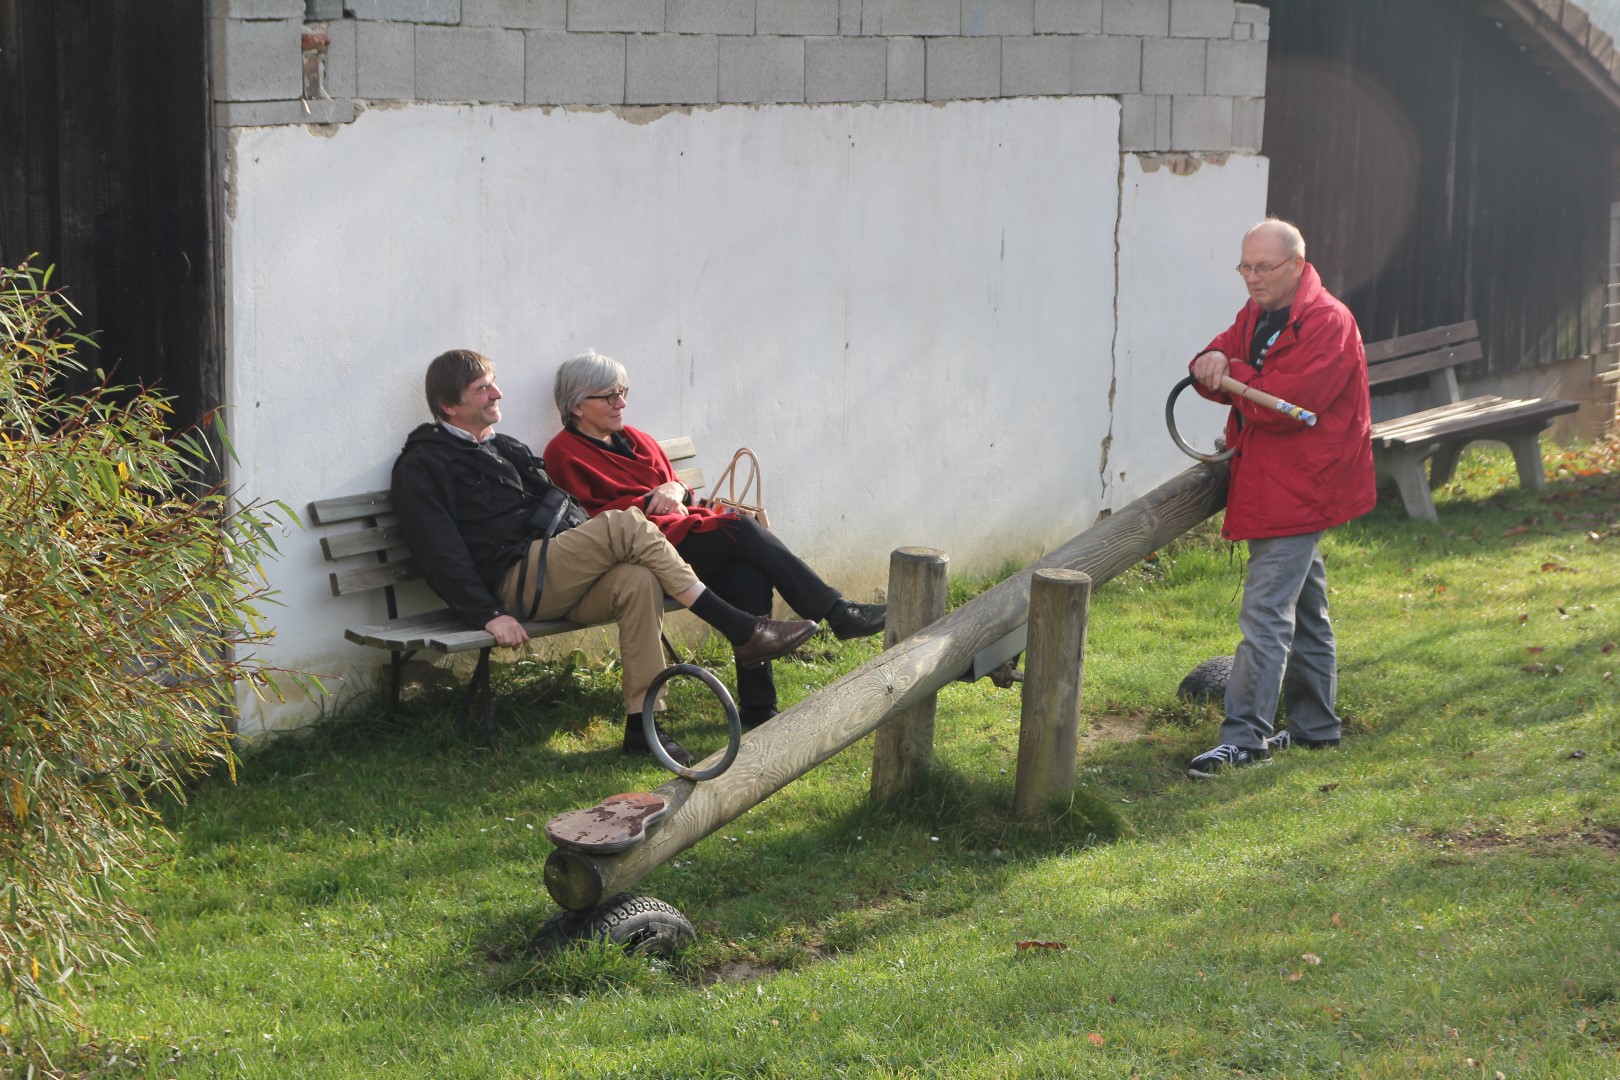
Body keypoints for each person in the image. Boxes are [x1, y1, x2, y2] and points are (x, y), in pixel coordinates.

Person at [390, 349, 820, 766]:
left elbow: (563, 509)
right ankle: (741, 628)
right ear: (449, 404)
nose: (498, 394)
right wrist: (487, 613)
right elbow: (437, 550)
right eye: (483, 388)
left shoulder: (504, 448)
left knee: (637, 579)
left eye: (494, 384)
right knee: (624, 523)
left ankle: (643, 724)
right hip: (514, 582)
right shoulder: (424, 463)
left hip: (557, 572)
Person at [542, 350, 887, 729]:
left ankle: (759, 708)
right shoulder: (563, 453)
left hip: (683, 538)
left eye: (623, 392)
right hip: (639, 555)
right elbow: (587, 520)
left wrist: (675, 486)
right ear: (576, 404)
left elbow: (679, 488)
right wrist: (650, 499)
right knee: (736, 525)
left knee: (748, 578)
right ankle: (836, 611)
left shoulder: (636, 439)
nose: (621, 403)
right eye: (609, 396)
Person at [1183, 218, 1375, 779]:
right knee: (1307, 610)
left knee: (1266, 613)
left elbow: (1286, 403)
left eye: (1263, 267)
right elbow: (1221, 357)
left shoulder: (1328, 321)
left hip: (1302, 485)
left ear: (1296, 265)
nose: (1251, 278)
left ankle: (1245, 738)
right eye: (1245, 266)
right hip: (1274, 480)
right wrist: (1210, 362)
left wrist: (1229, 370)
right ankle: (1316, 726)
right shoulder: (1262, 314)